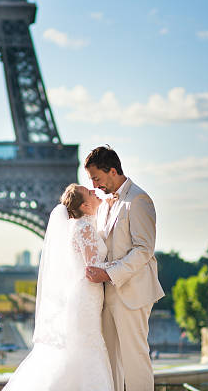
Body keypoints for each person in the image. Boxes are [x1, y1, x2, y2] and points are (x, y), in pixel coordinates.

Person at [2, 184, 114, 391]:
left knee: (79, 350)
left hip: (82, 296)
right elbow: (93, 267)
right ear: (85, 205)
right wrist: (123, 267)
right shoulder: (85, 227)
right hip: (87, 297)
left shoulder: (78, 226)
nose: (94, 192)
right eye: (89, 193)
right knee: (87, 349)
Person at [84, 145, 165, 391]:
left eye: (96, 178)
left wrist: (108, 273)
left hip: (132, 293)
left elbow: (144, 249)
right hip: (108, 294)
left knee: (135, 360)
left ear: (112, 170)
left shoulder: (138, 200)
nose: (95, 185)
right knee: (110, 363)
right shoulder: (107, 203)